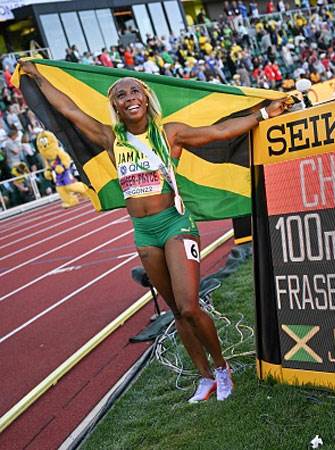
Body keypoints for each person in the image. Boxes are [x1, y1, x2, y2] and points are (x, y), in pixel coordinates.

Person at [20, 61, 288, 402]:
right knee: (176, 311)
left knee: (190, 306)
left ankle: (222, 368)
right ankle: (203, 377)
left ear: (146, 98)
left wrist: (264, 115)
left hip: (175, 225)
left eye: (135, 90)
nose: (129, 97)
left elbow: (220, 132)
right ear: (114, 104)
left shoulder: (169, 133)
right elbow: (69, 110)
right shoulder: (109, 138)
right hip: (144, 234)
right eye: (120, 94)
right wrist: (39, 77)